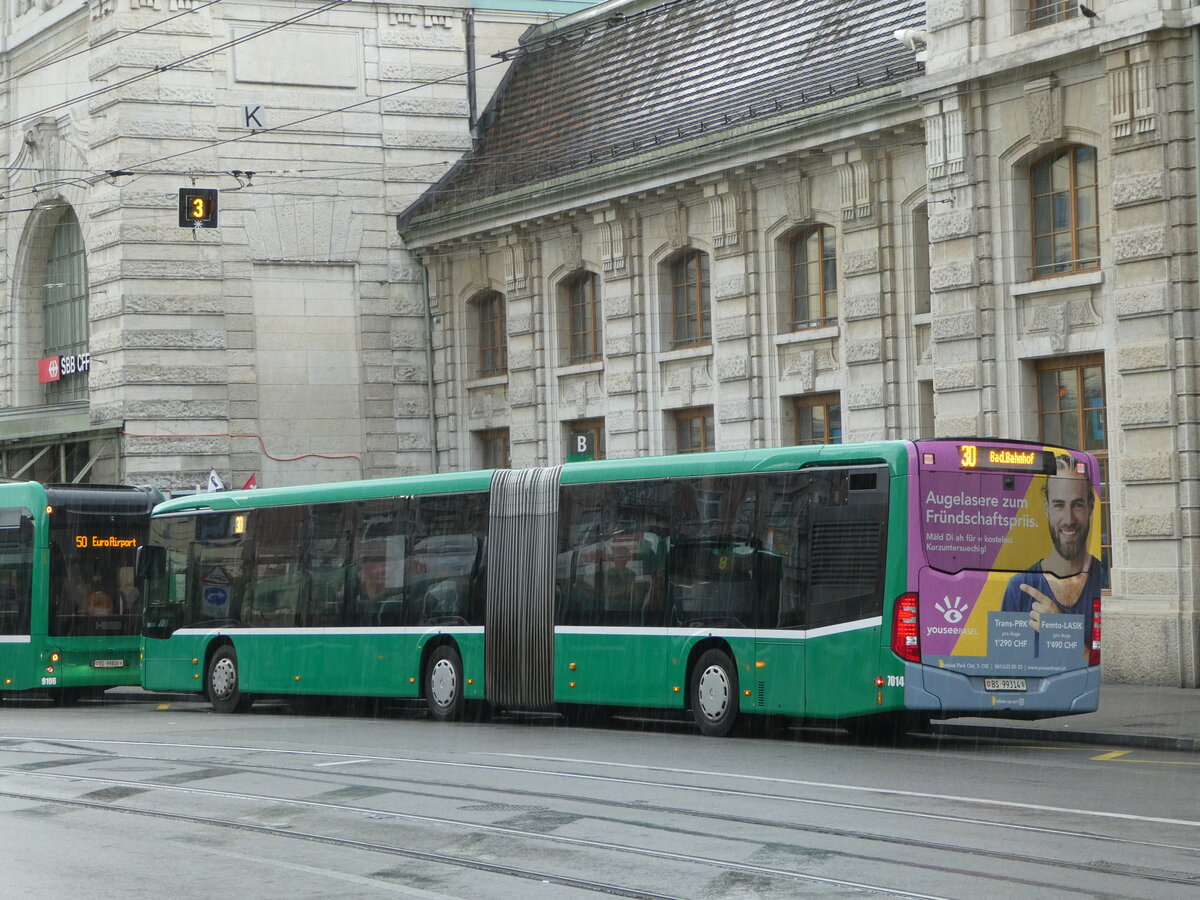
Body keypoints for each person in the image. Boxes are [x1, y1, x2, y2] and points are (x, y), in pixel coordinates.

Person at [1002, 454, 1101, 656]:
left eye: (1077, 505)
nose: (1068, 519)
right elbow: (1006, 663)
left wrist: (1058, 631)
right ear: (1046, 509)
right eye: (1059, 505)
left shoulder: (1104, 580)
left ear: (1091, 506)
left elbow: (1111, 668)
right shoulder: (1019, 588)